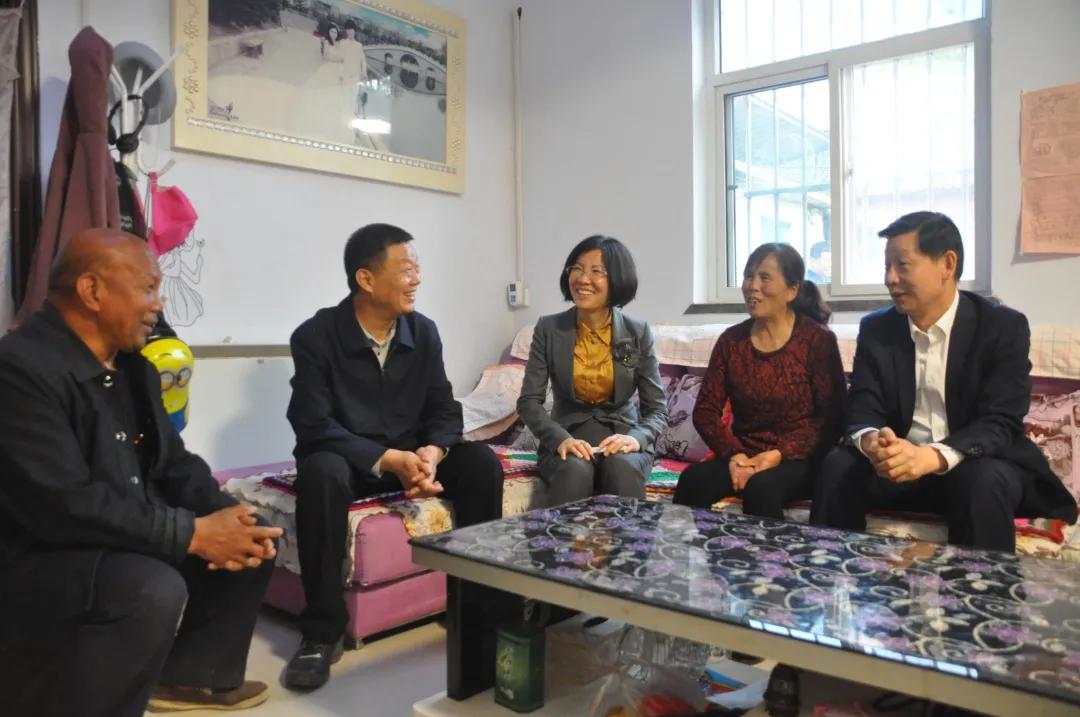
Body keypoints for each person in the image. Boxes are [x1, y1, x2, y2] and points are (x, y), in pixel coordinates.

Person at [0, 229, 282, 716]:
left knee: (251, 534)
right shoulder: (20, 369)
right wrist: (191, 534)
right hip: (39, 555)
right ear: (92, 291)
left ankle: (191, 679)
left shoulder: (136, 369)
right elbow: (62, 504)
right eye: (148, 287)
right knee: (150, 588)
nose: (158, 303)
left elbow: (173, 463)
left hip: (116, 531)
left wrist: (225, 515)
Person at [285, 223, 504, 689]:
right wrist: (388, 459)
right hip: (351, 460)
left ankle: (477, 608)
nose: (416, 279)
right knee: (320, 473)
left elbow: (445, 408)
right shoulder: (315, 336)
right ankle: (321, 632)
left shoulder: (423, 332)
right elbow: (313, 423)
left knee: (482, 465)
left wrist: (433, 451)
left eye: (417, 268)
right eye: (406, 270)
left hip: (410, 454)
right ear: (366, 279)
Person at [810, 211, 1077, 550]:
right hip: (900, 469)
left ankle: (983, 586)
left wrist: (932, 457)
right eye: (886, 266)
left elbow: (1001, 420)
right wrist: (873, 441)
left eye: (903, 265)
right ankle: (827, 572)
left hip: (971, 465)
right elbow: (863, 404)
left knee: (983, 479)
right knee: (839, 465)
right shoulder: (878, 329)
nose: (890, 278)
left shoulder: (1000, 327)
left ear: (947, 264)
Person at [674, 243, 846, 518]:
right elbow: (705, 412)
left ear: (792, 290)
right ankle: (694, 547)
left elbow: (832, 418)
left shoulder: (817, 340)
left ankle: (773, 550)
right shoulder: (732, 341)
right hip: (744, 455)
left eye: (765, 277)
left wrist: (778, 454)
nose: (752, 286)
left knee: (762, 487)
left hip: (799, 458)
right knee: (694, 479)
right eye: (748, 276)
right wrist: (736, 456)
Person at [517, 235, 667, 507]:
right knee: (575, 469)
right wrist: (560, 439)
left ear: (617, 279)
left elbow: (657, 409)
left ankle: (631, 537)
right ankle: (557, 537)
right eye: (577, 268)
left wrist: (635, 439)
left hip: (621, 440)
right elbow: (529, 402)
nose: (583, 279)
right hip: (567, 437)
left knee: (621, 466)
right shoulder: (549, 329)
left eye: (597, 271)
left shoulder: (636, 332)